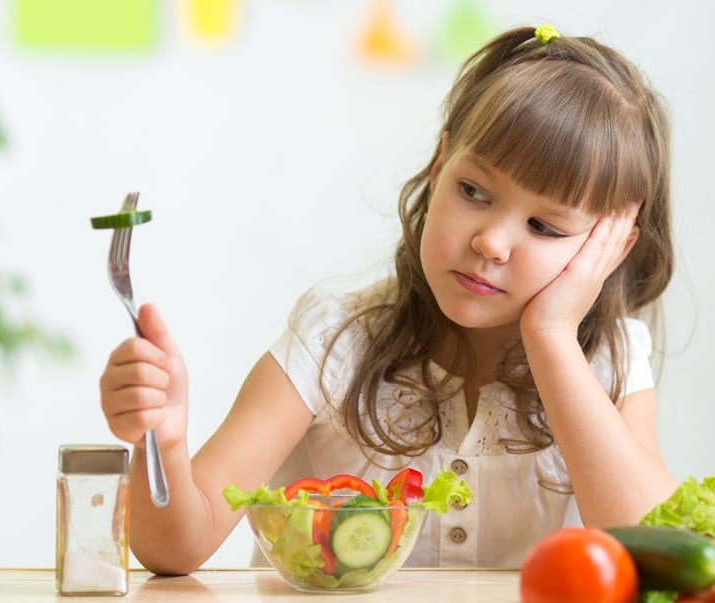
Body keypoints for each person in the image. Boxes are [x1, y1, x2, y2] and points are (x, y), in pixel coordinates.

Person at [99, 24, 679, 575]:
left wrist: (552, 338)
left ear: (608, 247)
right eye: (473, 191)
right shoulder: (333, 340)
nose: (492, 242)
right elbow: (176, 547)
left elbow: (658, 555)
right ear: (439, 164)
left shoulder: (612, 359)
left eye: (544, 227)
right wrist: (165, 440)